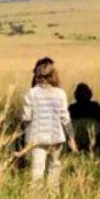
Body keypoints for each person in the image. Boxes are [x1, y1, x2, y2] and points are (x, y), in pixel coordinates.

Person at [21, 57, 75, 189]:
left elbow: (26, 118)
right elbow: (65, 118)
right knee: (54, 170)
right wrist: (71, 138)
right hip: (56, 138)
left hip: (37, 138)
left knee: (37, 173)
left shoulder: (31, 93)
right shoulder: (60, 93)